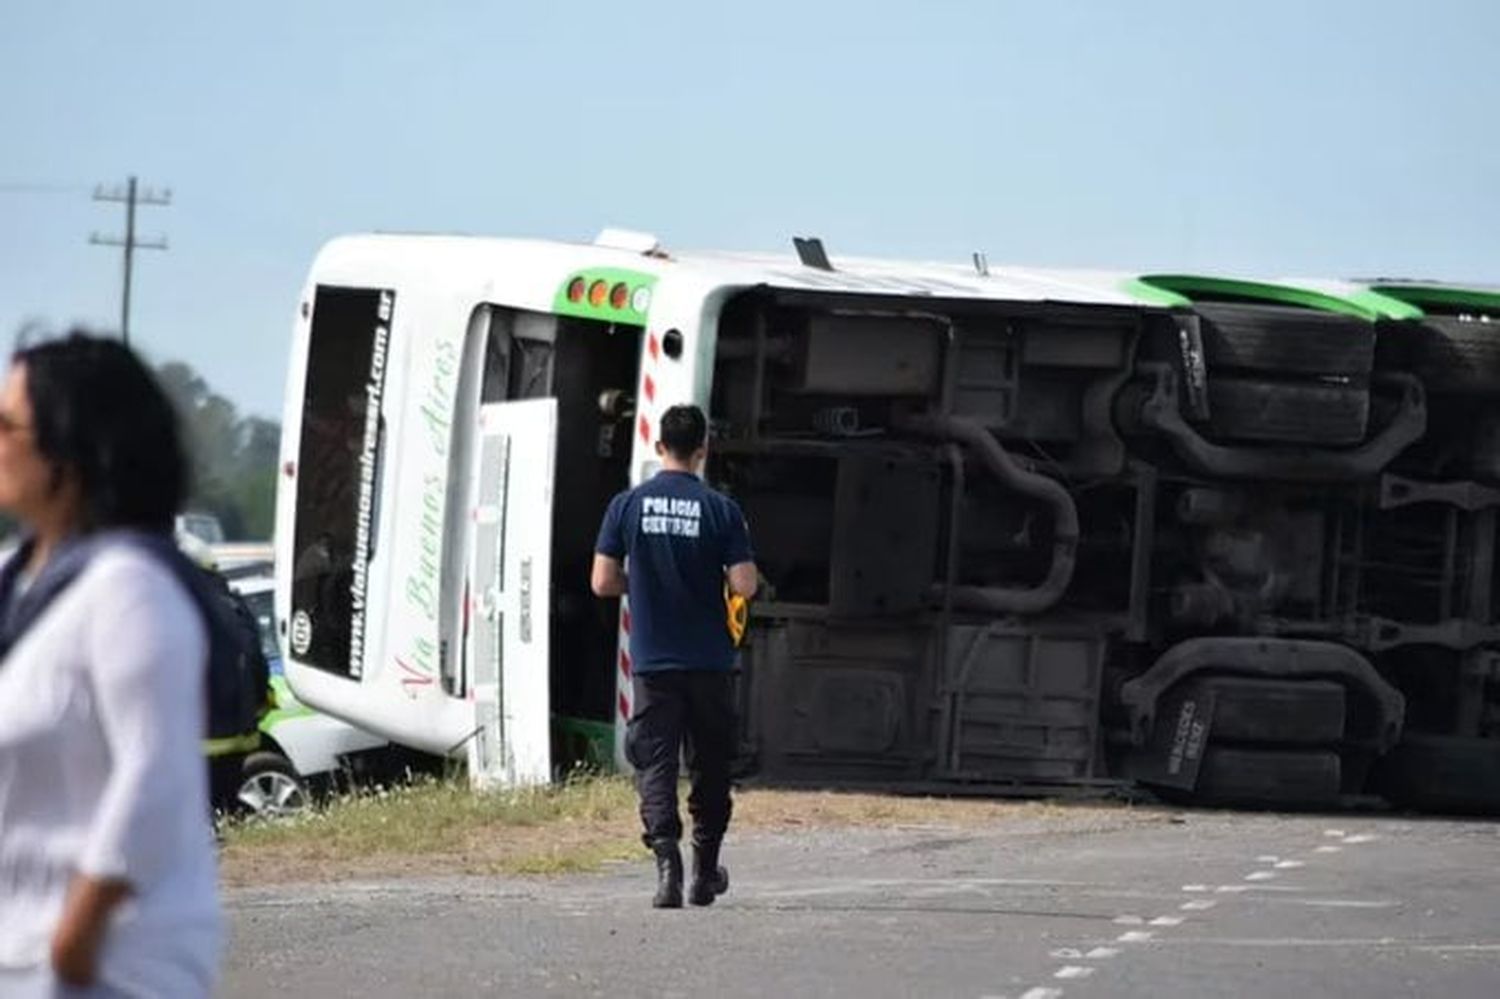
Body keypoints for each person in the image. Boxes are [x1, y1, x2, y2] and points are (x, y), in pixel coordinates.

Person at [0, 331, 223, 996]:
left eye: (8, 423)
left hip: (105, 967)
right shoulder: (20, 585)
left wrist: (76, 938)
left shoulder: (131, 589)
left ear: (69, 451)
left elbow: (154, 772)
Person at [591, 403, 758, 908]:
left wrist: (639, 584)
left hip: (653, 662)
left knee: (656, 762)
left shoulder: (627, 505)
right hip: (708, 661)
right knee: (709, 765)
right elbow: (745, 585)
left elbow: (602, 581)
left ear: (659, 447)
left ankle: (667, 865)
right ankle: (705, 873)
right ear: (702, 451)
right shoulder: (721, 509)